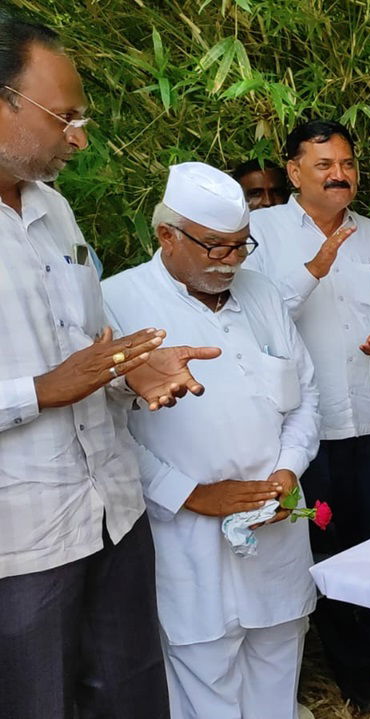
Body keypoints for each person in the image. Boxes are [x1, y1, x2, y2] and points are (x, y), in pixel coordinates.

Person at [0, 10, 221, 717]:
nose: (79, 136)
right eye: (63, 116)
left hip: (112, 513)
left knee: (130, 696)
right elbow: (57, 376)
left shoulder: (56, 210)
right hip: (23, 539)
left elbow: (91, 341)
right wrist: (37, 391)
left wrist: (136, 370)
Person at [102, 162, 319, 719]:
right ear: (166, 235)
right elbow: (103, 430)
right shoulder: (115, 302)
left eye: (242, 246)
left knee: (277, 675)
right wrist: (192, 494)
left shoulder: (264, 294)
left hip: (275, 531)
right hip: (185, 538)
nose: (231, 262)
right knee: (205, 683)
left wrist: (287, 472)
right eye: (215, 247)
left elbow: (306, 397)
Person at [244, 119, 370, 712]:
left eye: (346, 162)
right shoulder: (262, 233)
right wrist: (315, 266)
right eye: (324, 165)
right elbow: (257, 322)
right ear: (294, 172)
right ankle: (351, 668)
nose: (339, 174)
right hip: (307, 429)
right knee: (326, 546)